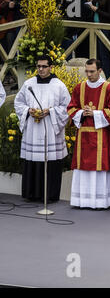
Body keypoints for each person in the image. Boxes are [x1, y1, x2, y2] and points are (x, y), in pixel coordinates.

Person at [14, 55, 71, 203]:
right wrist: (28, 111)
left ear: (51, 67)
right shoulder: (28, 84)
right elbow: (18, 103)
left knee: (49, 160)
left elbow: (67, 107)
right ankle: (31, 193)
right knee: (33, 160)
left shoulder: (59, 85)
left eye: (44, 66)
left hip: (50, 130)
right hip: (33, 129)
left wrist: (51, 111)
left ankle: (50, 195)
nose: (40, 69)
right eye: (38, 66)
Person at [67, 58, 110, 209]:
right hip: (84, 134)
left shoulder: (109, 88)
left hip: (102, 136)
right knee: (83, 168)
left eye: (92, 71)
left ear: (100, 71)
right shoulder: (80, 88)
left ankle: (101, 201)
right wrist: (82, 113)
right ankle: (81, 200)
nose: (89, 74)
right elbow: (71, 108)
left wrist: (96, 113)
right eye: (87, 71)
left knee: (99, 169)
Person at [86, 0, 110, 78]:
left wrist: (96, 10)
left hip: (104, 28)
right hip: (95, 27)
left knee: (104, 54)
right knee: (97, 54)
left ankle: (106, 76)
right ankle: (97, 75)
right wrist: (91, 1)